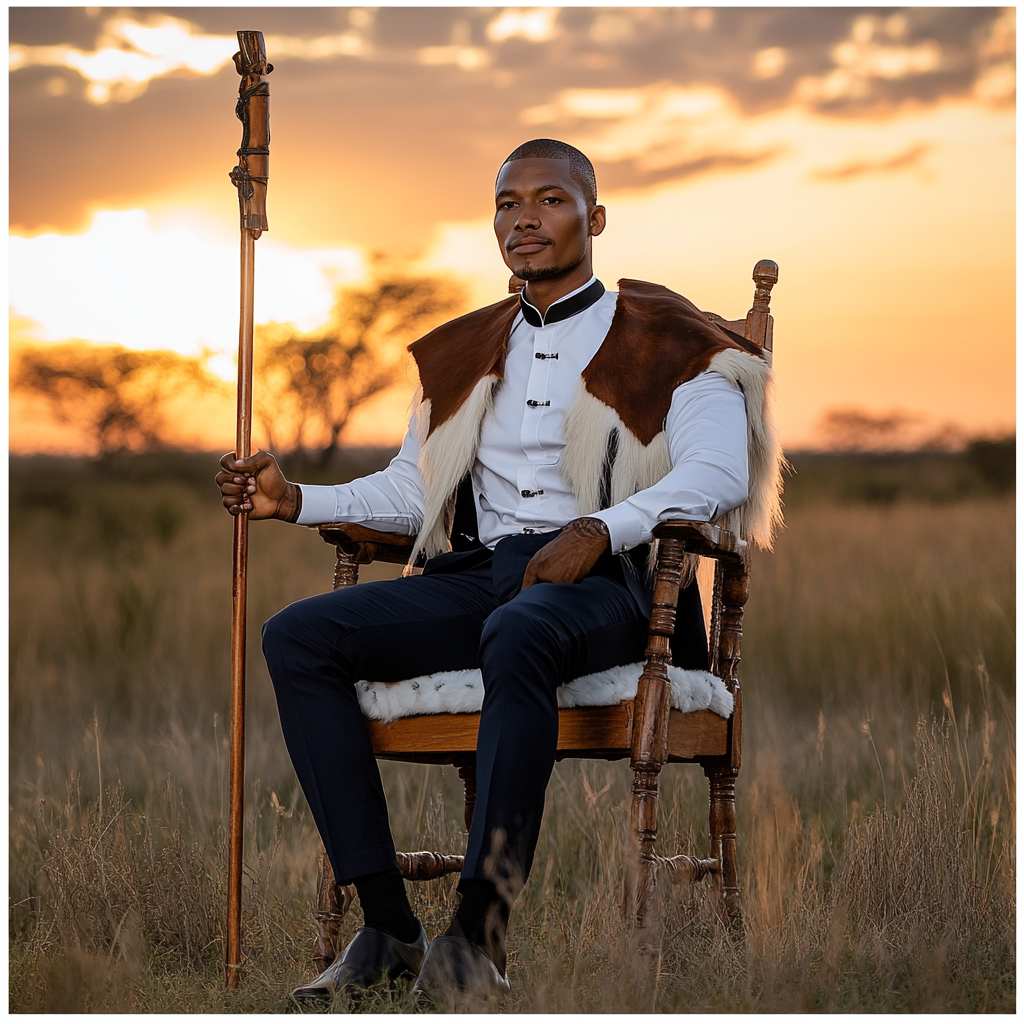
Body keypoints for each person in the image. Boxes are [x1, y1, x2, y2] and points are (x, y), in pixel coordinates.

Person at [216, 138, 779, 1004]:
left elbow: (716, 475)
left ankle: (477, 937)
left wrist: (601, 527)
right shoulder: (461, 350)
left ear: (594, 218)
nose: (523, 218)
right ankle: (389, 928)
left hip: (614, 585)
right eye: (506, 203)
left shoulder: (667, 338)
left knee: (518, 630)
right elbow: (414, 490)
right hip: (484, 572)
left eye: (549, 200)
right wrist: (297, 499)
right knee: (299, 636)